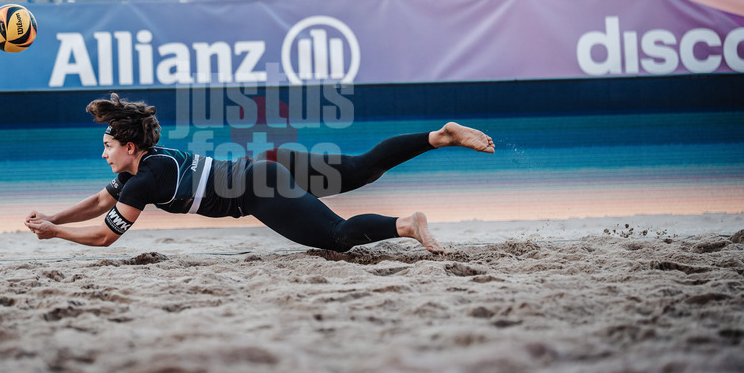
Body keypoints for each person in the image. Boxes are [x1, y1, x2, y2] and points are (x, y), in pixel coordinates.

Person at [25, 94, 496, 255]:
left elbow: (106, 236)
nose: (102, 153)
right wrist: (54, 217)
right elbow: (100, 202)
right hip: (267, 162)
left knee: (335, 238)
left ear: (129, 147)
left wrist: (57, 234)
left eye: (107, 145)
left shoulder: (143, 180)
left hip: (256, 187)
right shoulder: (153, 159)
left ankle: (405, 225)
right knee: (359, 169)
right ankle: (438, 136)